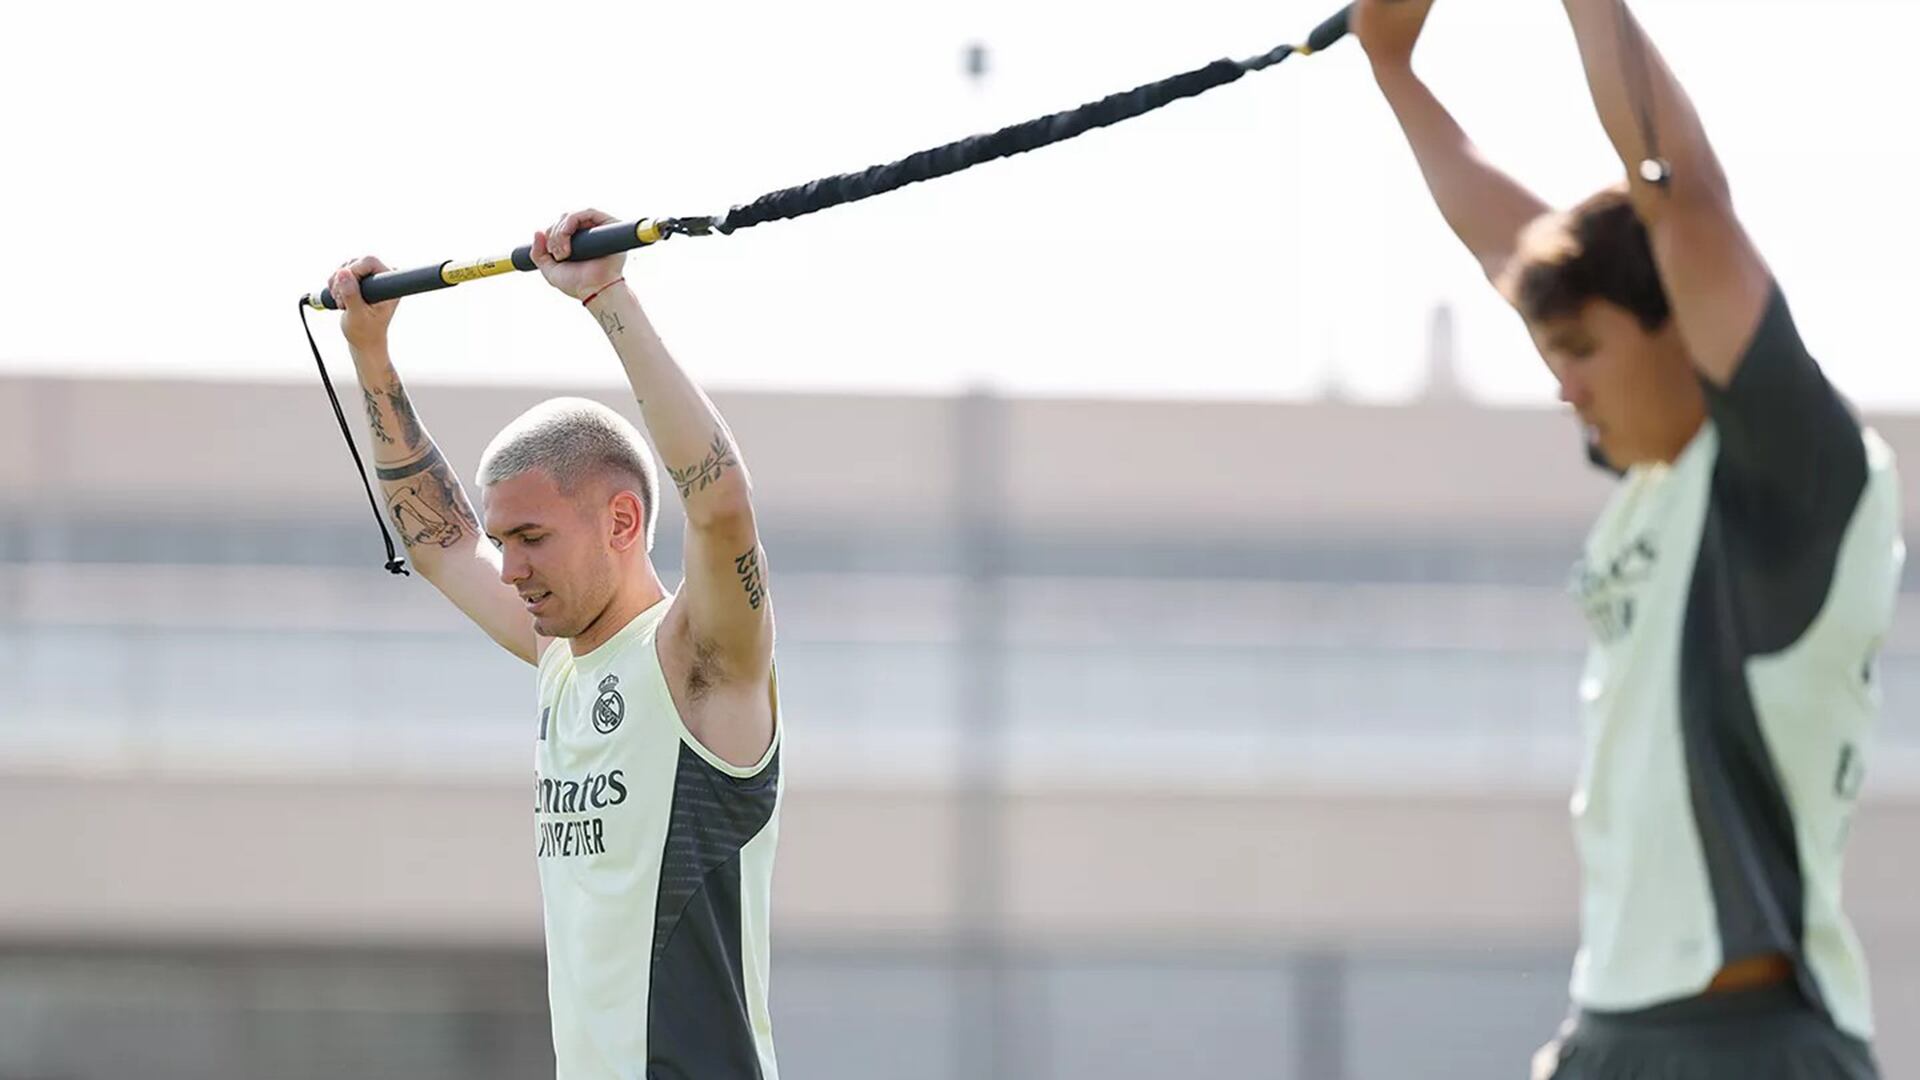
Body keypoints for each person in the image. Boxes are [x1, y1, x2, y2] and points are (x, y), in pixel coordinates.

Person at [1350, 2, 1902, 1076]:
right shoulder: (1654, 485)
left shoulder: (1794, 476)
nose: (1562, 386)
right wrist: (1393, 70)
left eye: (1582, 350)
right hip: (1611, 1031)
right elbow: (1504, 240)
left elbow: (1684, 197)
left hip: (1751, 1043)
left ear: (1680, 323)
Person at [330, 207, 781, 1080]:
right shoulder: (560, 662)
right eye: (505, 542)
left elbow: (721, 504)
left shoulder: (698, 664)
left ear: (621, 521)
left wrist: (608, 298)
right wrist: (370, 350)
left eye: (532, 538)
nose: (509, 569)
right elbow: (438, 544)